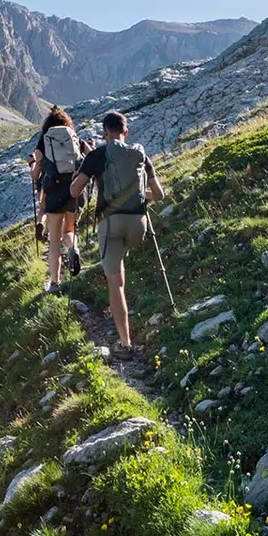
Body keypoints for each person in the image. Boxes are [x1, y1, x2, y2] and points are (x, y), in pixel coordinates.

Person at [70, 110, 163, 358]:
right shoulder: (140, 154)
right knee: (120, 265)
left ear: (105, 132)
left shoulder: (98, 154)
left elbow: (75, 190)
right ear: (126, 131)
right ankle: (129, 323)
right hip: (139, 224)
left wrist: (84, 168)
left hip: (110, 224)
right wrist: (140, 196)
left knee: (114, 282)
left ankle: (125, 343)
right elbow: (159, 194)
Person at [28, 106, 82, 293]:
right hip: (74, 188)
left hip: (53, 191)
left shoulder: (44, 141)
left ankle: (55, 283)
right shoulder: (73, 137)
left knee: (54, 241)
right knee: (70, 230)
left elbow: (35, 176)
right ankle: (73, 248)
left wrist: (34, 164)